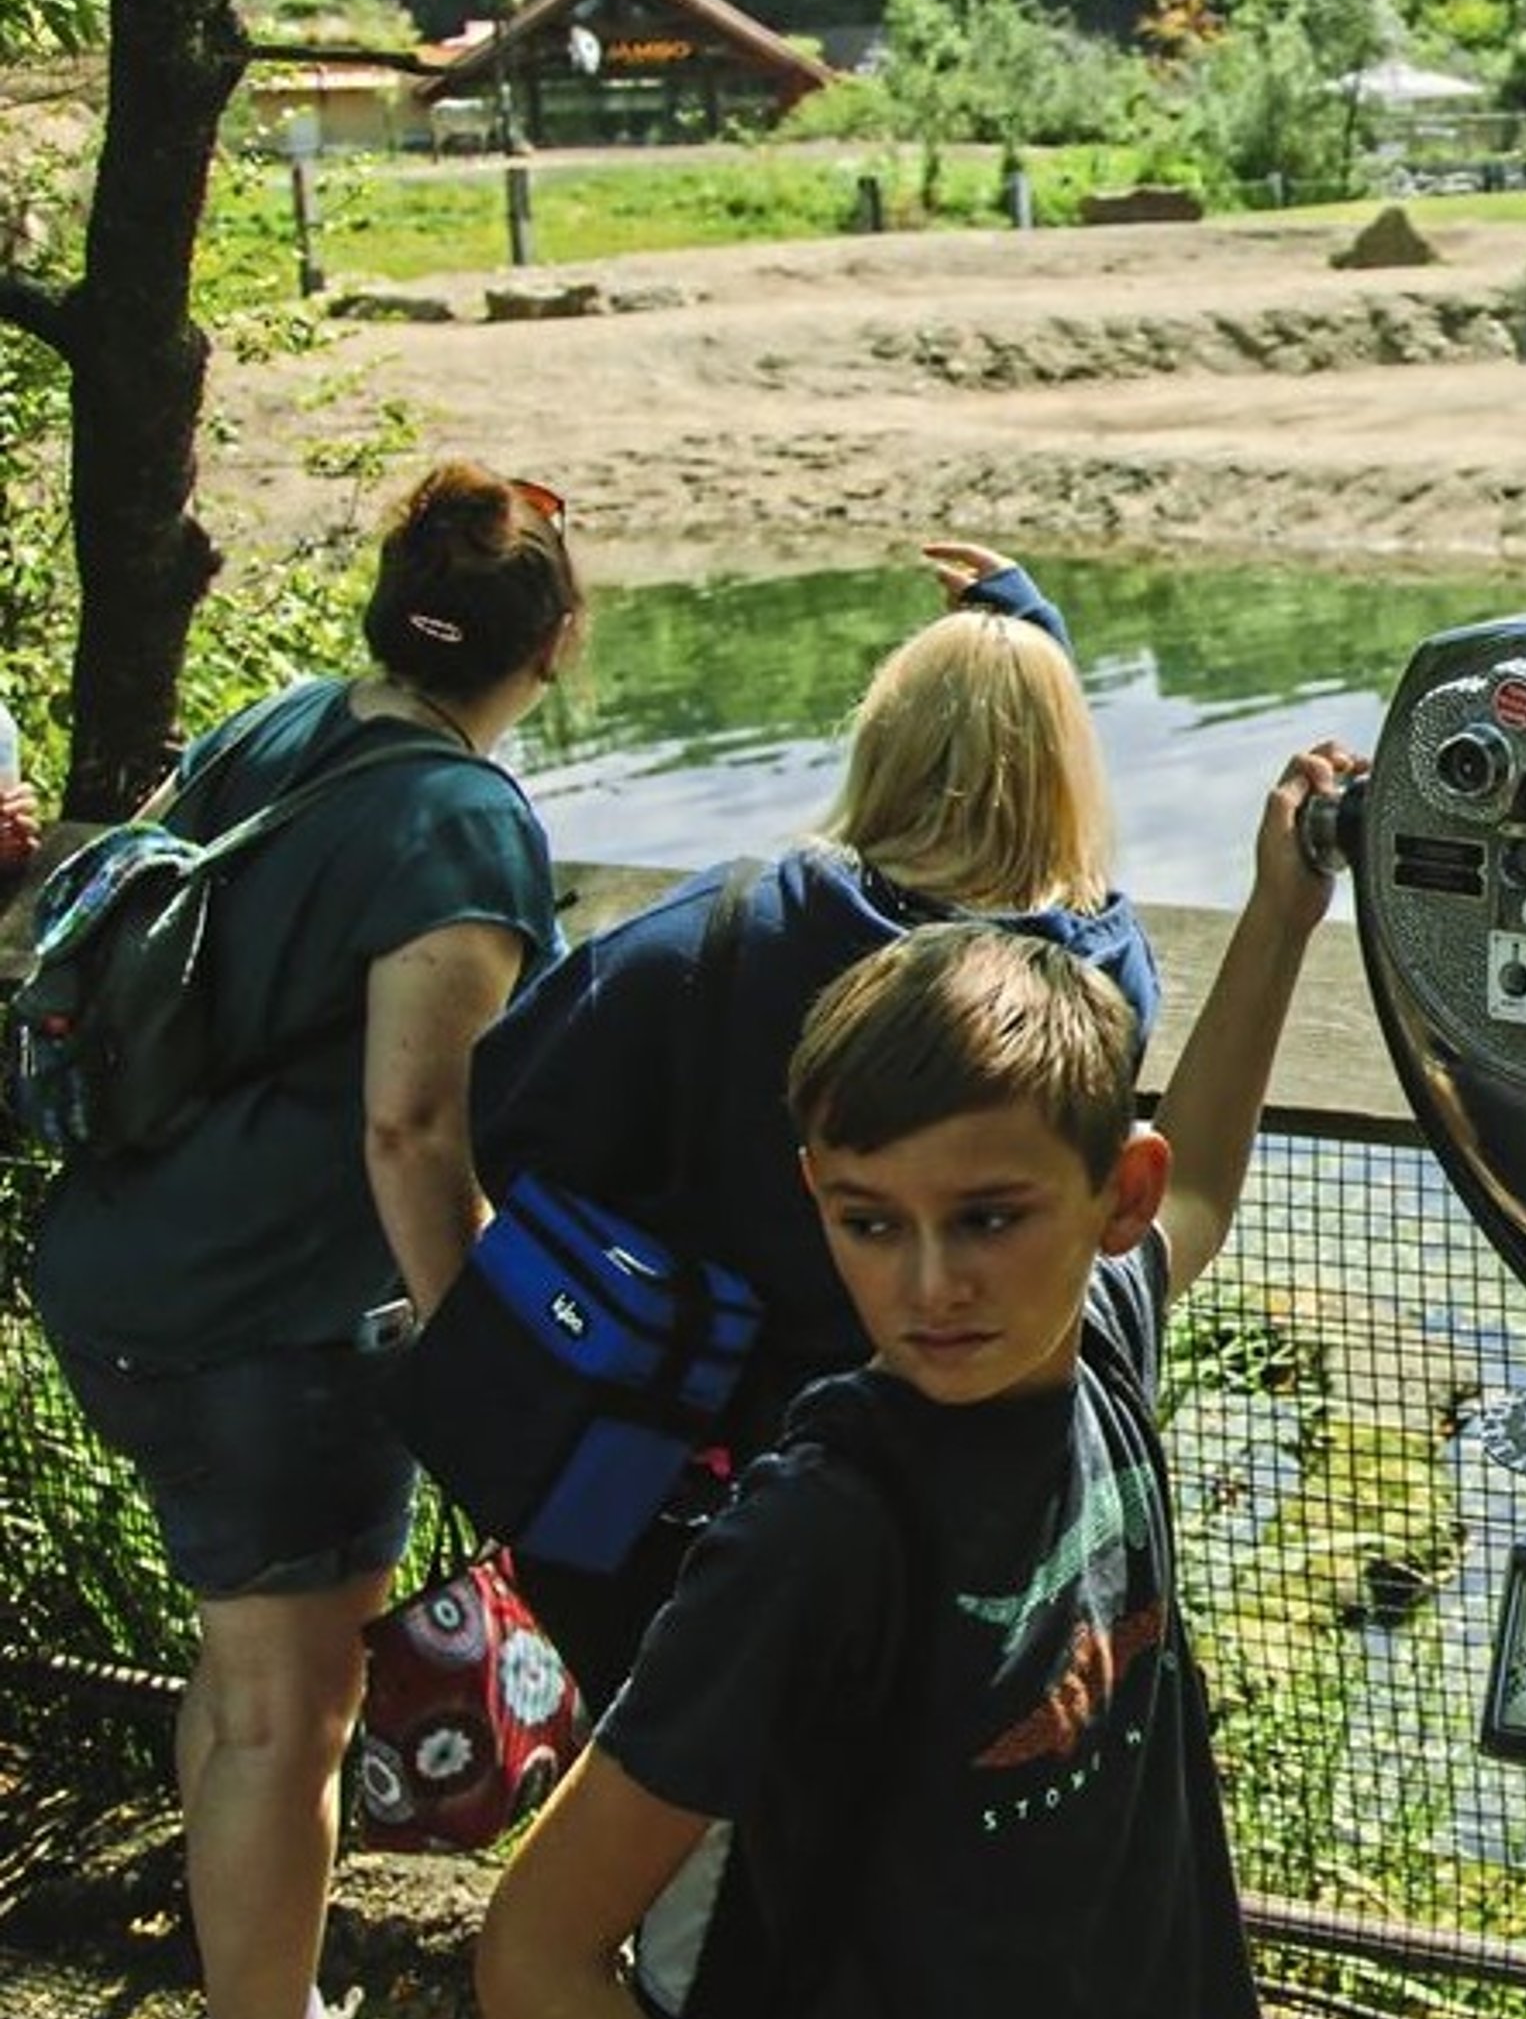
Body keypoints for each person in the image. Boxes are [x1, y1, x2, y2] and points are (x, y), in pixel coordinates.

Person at [477, 740, 1358, 2019]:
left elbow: (1200, 1192)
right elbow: (538, 1954)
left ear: (1109, 1199)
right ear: (813, 1192)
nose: (930, 1284)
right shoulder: (818, 1530)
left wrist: (1281, 911)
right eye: (870, 1222)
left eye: (989, 1217)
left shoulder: (1103, 1344)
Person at [28, 461, 581, 2019]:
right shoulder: (467, 828)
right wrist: (490, 1375)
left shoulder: (284, 727)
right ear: (552, 647)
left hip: (121, 1269)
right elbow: (415, 1130)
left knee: (241, 1680)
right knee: (289, 1717)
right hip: (259, 1325)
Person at [472, 542, 1159, 1707]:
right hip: (985, 1496)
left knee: (697, 1814)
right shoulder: (1093, 986)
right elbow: (1063, 865)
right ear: (1065, 774)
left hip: (701, 1484)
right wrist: (1028, 634)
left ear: (876, 744)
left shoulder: (723, 934)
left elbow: (510, 1113)